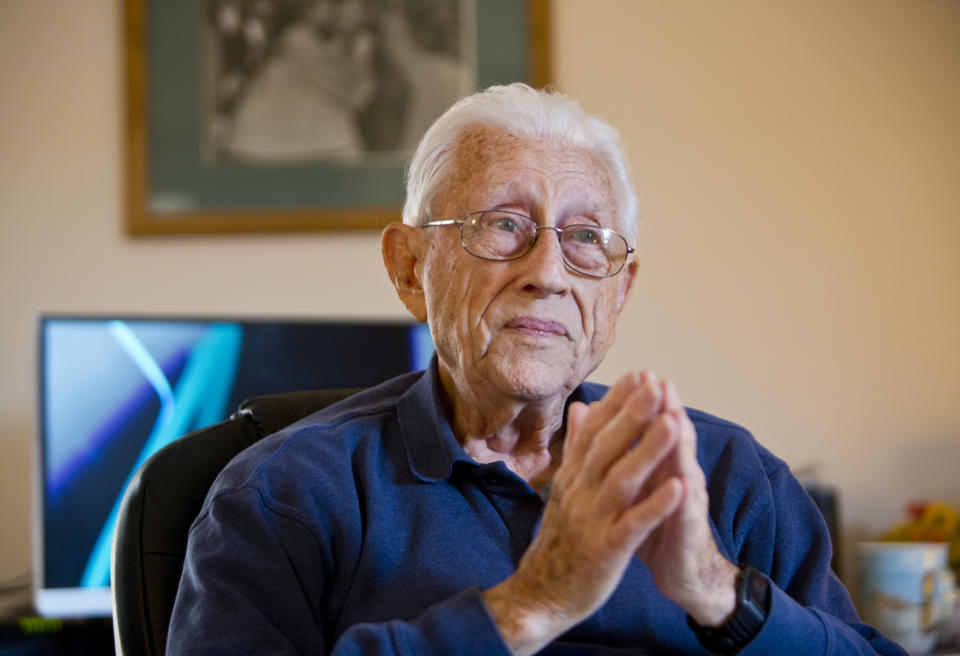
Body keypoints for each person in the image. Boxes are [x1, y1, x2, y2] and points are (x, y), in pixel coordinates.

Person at [166, 84, 907, 655]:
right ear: (409, 267)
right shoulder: (283, 496)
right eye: (504, 226)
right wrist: (533, 602)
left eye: (586, 237)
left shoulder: (733, 479)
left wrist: (715, 590)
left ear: (619, 293)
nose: (548, 271)